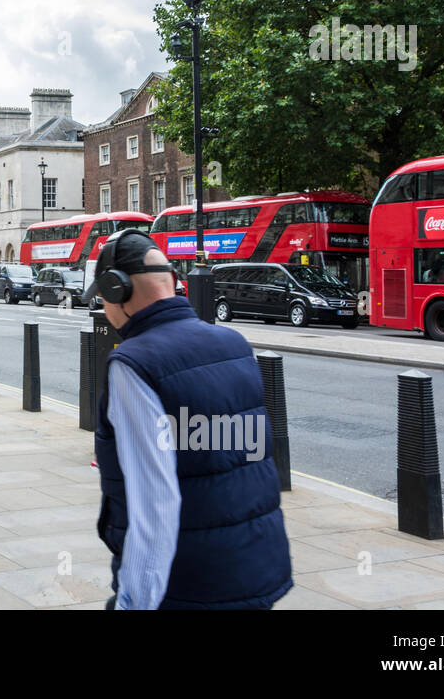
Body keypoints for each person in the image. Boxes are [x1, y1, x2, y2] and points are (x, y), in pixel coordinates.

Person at [81, 230, 292, 609]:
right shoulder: (234, 343)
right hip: (258, 568)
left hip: (188, 584)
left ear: (118, 290)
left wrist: (135, 602)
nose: (103, 309)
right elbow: (250, 456)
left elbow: (154, 499)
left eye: (102, 297)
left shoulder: (134, 364)